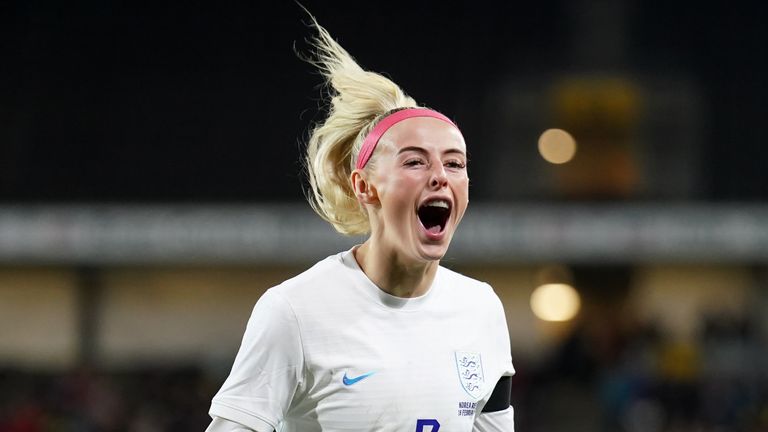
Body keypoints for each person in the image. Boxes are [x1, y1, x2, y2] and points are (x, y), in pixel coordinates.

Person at [205, 15, 515, 432]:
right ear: (365, 186)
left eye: (455, 163)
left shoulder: (481, 309)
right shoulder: (295, 311)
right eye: (415, 161)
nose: (440, 174)